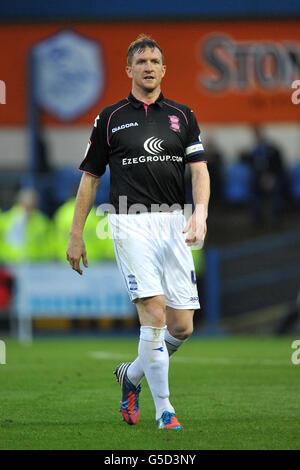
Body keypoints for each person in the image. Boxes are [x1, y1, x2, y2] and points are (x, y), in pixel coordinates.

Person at [66, 34, 210, 430]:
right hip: (129, 220)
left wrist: (200, 214)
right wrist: (75, 234)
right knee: (155, 313)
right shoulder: (110, 117)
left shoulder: (183, 114)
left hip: (172, 222)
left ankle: (130, 376)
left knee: (182, 326)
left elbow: (199, 169)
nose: (148, 66)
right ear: (128, 69)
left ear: (164, 69)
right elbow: (90, 177)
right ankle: (165, 410)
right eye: (141, 61)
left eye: (155, 61)